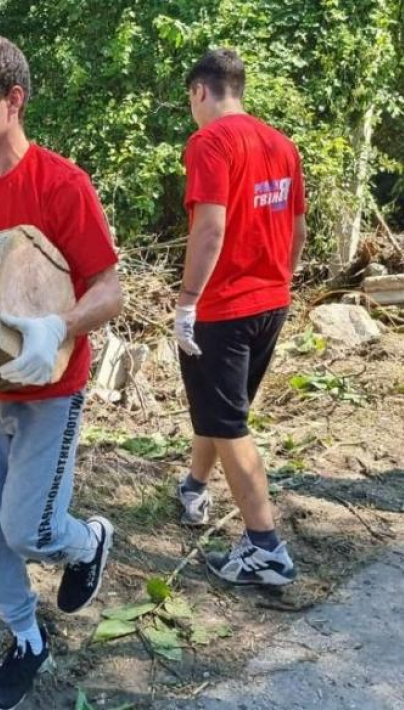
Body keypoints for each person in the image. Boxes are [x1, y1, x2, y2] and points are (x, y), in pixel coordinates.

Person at [0, 32, 123, 710]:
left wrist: (58, 327)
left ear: (13, 101)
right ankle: (26, 638)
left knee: (27, 528)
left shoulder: (61, 184)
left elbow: (109, 288)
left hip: (50, 388)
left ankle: (87, 539)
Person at [174, 48, 307, 586]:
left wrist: (187, 301)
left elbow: (209, 228)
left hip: (224, 308)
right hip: (271, 302)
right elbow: (297, 229)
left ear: (200, 91)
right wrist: (281, 280)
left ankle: (264, 546)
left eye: (190, 100)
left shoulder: (209, 143)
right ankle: (193, 487)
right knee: (224, 409)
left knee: (231, 424)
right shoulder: (281, 145)